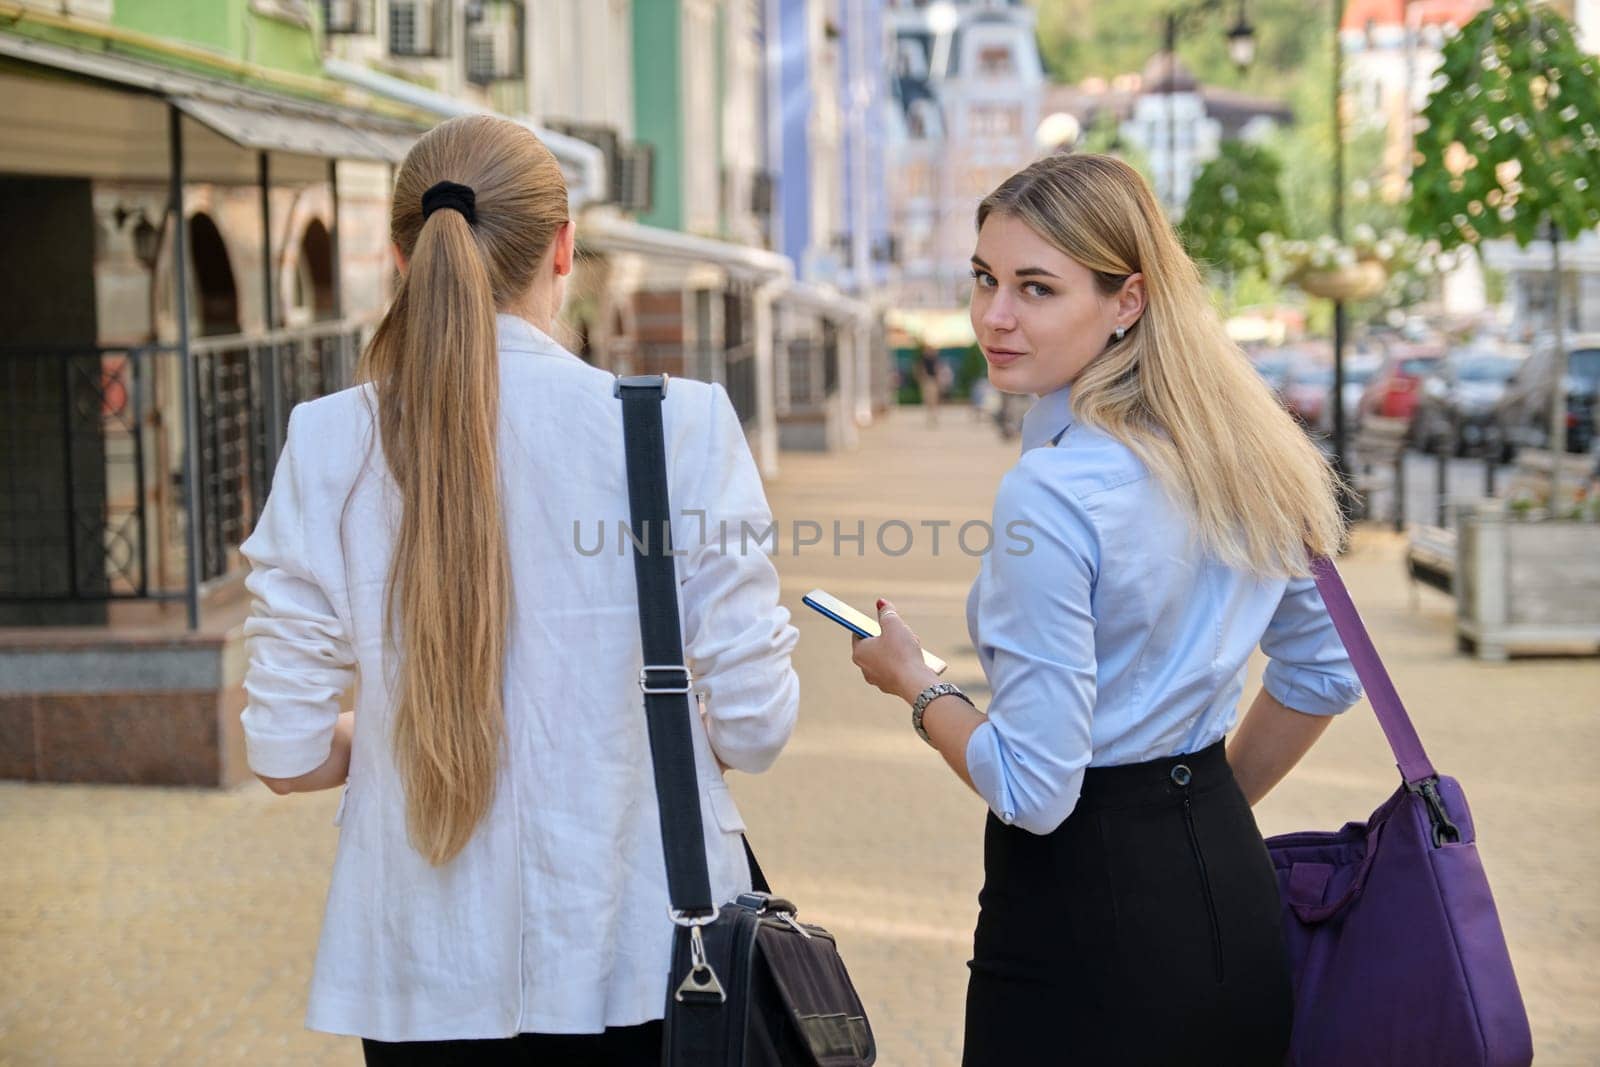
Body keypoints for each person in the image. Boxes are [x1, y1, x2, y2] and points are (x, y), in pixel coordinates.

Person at [238, 115, 799, 1065]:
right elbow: (755, 724)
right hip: (651, 955)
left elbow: (284, 750)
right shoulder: (679, 428)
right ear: (565, 248)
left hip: (421, 975)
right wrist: (625, 732)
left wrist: (393, 732)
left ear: (402, 255)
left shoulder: (329, 441)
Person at [849, 153, 1362, 1065]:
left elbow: (1035, 790)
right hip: (1224, 886)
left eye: (1035, 288)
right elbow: (1323, 670)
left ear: (1127, 300)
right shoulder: (1236, 447)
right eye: (984, 278)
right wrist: (1206, 808)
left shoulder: (1052, 492)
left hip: (1082, 919)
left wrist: (918, 687)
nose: (994, 316)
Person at [918, 343, 943, 426]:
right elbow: (921, 369)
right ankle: (931, 416)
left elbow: (937, 369)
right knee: (929, 399)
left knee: (933, 399)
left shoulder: (934, 359)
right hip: (928, 380)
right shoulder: (924, 359)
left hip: (932, 380)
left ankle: (933, 416)